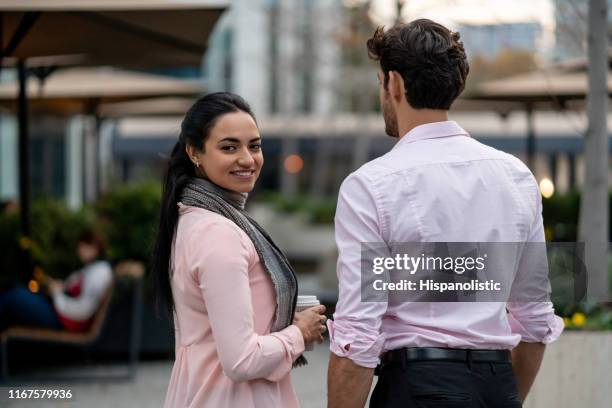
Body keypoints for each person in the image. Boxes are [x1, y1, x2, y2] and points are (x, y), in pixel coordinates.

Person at [326, 20, 564, 408]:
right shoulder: (517, 176)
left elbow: (359, 333)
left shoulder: (370, 185)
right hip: (497, 385)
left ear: (395, 84)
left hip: (417, 386)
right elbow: (535, 319)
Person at [151, 92, 327, 408]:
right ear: (195, 152)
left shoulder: (195, 221)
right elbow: (242, 360)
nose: (247, 158)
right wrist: (300, 333)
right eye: (229, 147)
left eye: (254, 145)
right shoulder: (219, 233)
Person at [0, 230, 113, 332]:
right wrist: (59, 287)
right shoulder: (94, 268)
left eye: (83, 246)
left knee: (13, 296)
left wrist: (57, 293)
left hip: (64, 322)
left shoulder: (99, 272)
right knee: (15, 289)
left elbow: (84, 310)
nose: (79, 251)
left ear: (95, 247)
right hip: (60, 314)